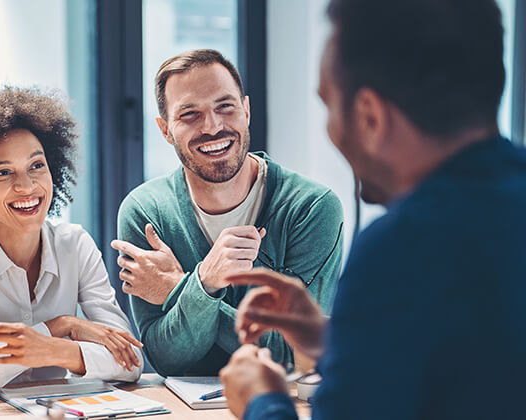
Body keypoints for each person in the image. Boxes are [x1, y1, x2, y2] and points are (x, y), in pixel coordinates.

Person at [219, 0, 526, 419]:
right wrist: (339, 340)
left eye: (328, 105)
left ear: (370, 117)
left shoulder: (403, 248)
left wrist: (262, 401)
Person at [110, 49, 345, 376]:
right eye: (190, 114)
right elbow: (167, 359)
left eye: (225, 106)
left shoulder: (310, 208)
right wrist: (205, 281)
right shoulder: (145, 212)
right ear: (165, 130)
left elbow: (295, 353)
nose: (213, 126)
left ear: (246, 110)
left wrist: (179, 289)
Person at [0, 86, 144, 401]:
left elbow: (130, 361)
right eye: (3, 173)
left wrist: (52, 349)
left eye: (36, 166)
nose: (26, 186)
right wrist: (59, 326)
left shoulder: (75, 244)